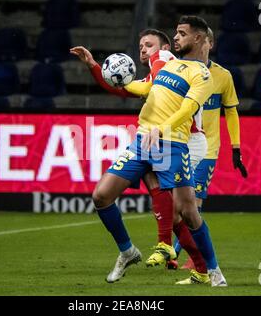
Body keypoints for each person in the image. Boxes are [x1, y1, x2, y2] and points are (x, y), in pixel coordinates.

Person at [89, 15, 227, 287]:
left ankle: (212, 271)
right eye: (175, 33)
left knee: (187, 212)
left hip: (173, 144)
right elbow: (140, 87)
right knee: (101, 195)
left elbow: (189, 108)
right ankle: (128, 251)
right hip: (142, 142)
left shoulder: (202, 74)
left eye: (181, 33)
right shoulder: (165, 64)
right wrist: (100, 71)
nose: (175, 38)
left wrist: (161, 128)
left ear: (198, 38)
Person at [70, 29, 209, 276]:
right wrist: (94, 65)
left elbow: (143, 81)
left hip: (179, 141)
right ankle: (136, 251)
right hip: (148, 140)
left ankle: (195, 261)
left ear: (165, 47)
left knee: (180, 212)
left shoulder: (167, 62)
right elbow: (124, 89)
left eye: (149, 45)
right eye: (140, 45)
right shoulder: (156, 77)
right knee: (103, 196)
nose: (143, 50)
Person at [174, 27, 247, 271]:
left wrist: (236, 147)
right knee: (177, 204)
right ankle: (174, 250)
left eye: (205, 41)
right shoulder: (178, 70)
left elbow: (232, 111)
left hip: (207, 148)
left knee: (194, 202)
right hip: (179, 144)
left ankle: (192, 259)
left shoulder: (223, 76)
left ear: (209, 44)